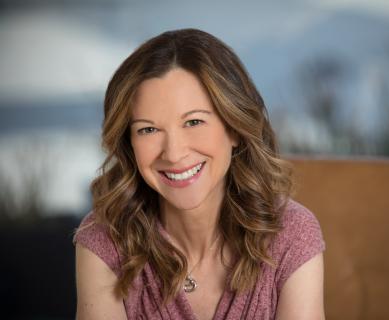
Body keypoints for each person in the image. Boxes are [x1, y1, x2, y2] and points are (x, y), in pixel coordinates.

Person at [74, 28, 326, 320]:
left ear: (234, 128)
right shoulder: (104, 240)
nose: (174, 153)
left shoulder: (293, 234)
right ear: (129, 144)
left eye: (194, 121)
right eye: (148, 129)